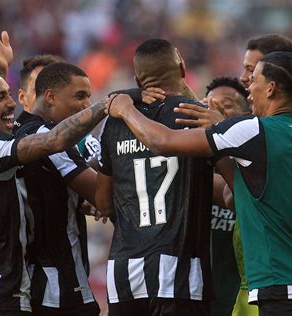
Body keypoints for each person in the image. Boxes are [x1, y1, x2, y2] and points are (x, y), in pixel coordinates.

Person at [105, 51, 292, 316]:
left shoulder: (252, 131)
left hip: (285, 293)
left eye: (253, 80)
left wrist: (125, 108)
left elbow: (163, 141)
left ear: (271, 88)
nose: (248, 88)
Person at [0, 63, 107, 316]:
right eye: (0, 97)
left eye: (9, 93)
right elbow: (53, 140)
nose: (12, 103)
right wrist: (109, 105)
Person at [95, 39, 213, 316]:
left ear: (137, 79)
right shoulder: (195, 114)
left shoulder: (116, 121)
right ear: (183, 68)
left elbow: (103, 202)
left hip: (124, 272)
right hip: (179, 271)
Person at [13, 62, 103, 315]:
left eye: (89, 97)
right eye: (80, 96)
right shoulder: (48, 137)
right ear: (50, 96)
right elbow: (102, 196)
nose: (87, 105)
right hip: (60, 280)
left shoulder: (13, 132)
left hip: (28, 279)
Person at [203, 77, 253, 316]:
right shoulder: (191, 162)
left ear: (249, 114)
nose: (216, 112)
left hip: (243, 301)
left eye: (227, 105)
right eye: (209, 105)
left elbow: (234, 192)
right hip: (193, 301)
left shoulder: (256, 163)